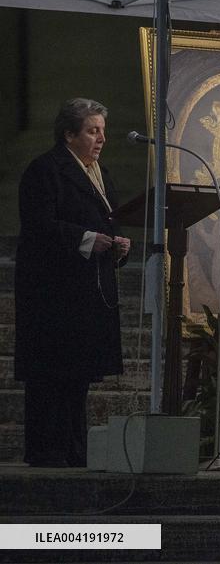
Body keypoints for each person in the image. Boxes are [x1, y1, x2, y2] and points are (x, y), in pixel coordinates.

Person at [14, 98, 131, 467]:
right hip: (53, 296)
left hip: (85, 295)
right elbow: (38, 226)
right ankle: (49, 455)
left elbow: (109, 222)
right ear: (69, 134)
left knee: (77, 380)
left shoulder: (99, 172)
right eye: (92, 131)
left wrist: (118, 245)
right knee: (52, 379)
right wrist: (87, 239)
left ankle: (75, 454)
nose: (101, 139)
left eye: (103, 132)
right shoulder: (45, 170)